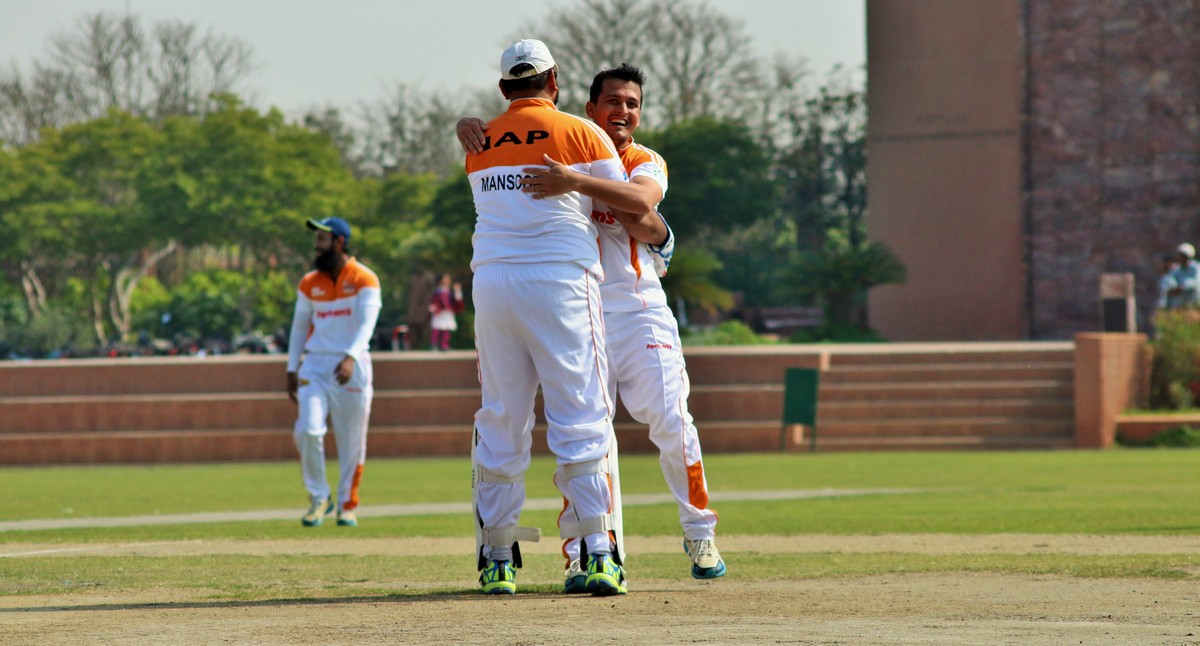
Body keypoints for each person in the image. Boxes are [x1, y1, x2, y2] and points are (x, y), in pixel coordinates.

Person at [459, 63, 725, 588]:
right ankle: (586, 553)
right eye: (613, 102)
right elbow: (507, 162)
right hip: (576, 307)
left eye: (632, 104)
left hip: (636, 309)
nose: (623, 111)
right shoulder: (567, 142)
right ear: (589, 108)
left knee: (672, 421)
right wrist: (470, 125)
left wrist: (576, 182)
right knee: (584, 427)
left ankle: (699, 531)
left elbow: (644, 209)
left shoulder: (643, 160)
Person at [465, 38, 630, 596]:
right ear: (554, 81)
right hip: (559, 280)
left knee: (502, 418)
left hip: (493, 282)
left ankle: (498, 559)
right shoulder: (581, 132)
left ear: (504, 88)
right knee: (580, 414)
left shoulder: (479, 139)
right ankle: (598, 552)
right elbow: (627, 204)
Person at [285, 217, 382, 528]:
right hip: (315, 365)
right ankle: (319, 498)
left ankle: (346, 505)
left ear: (339, 242)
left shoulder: (365, 278)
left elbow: (367, 325)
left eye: (322, 239)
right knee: (307, 430)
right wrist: (291, 367)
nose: (316, 245)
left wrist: (350, 357)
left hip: (352, 365)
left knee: (352, 441)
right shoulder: (309, 282)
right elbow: (299, 328)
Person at [428, 273, 465, 351]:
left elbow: (457, 301)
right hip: (439, 312)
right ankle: (433, 344)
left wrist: (457, 291)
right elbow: (434, 301)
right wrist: (434, 307)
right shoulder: (437, 291)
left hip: (448, 312)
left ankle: (444, 345)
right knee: (436, 328)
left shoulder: (450, 292)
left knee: (446, 329)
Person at [1166, 243, 1200, 310]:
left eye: (1182, 255)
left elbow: (1196, 282)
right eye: (1179, 255)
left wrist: (1183, 287)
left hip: (1194, 298)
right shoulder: (1177, 269)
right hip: (1181, 299)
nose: (1180, 257)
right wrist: (1170, 288)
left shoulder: (1196, 267)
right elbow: (1169, 279)